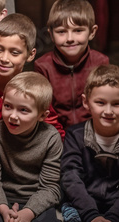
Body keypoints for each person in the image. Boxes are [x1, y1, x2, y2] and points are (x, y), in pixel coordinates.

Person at [0, 71, 62, 222]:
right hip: (1, 198)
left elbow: (50, 187)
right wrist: (4, 209)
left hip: (37, 199)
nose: (12, 115)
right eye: (7, 106)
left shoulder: (51, 138)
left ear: (42, 116)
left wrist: (28, 213)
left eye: (23, 110)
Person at [0, 13, 65, 138]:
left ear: (30, 55)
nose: (4, 58)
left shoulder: (36, 90)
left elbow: (54, 130)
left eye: (14, 53)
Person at [34, 0, 109, 130]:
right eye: (61, 32)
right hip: (58, 133)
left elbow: (106, 105)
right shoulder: (43, 66)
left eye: (78, 31)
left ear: (92, 32)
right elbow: (45, 112)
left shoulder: (101, 62)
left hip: (94, 130)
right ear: (51, 34)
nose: (70, 38)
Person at [60, 64, 119, 222]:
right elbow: (70, 177)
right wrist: (91, 215)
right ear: (86, 102)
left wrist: (113, 216)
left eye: (116, 104)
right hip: (82, 204)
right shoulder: (75, 135)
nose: (108, 111)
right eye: (100, 102)